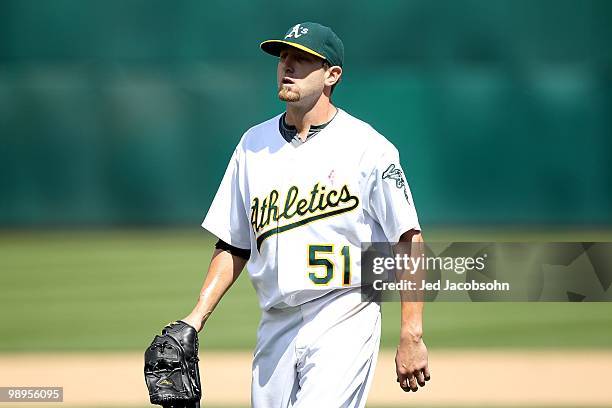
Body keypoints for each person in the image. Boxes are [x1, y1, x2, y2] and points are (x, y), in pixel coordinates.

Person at [181, 21, 430, 408]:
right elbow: (233, 243)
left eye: (302, 59)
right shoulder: (252, 145)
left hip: (344, 312)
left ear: (332, 75)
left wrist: (411, 334)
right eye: (283, 58)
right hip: (274, 322)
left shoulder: (369, 148)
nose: (288, 66)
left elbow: (409, 240)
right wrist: (195, 318)